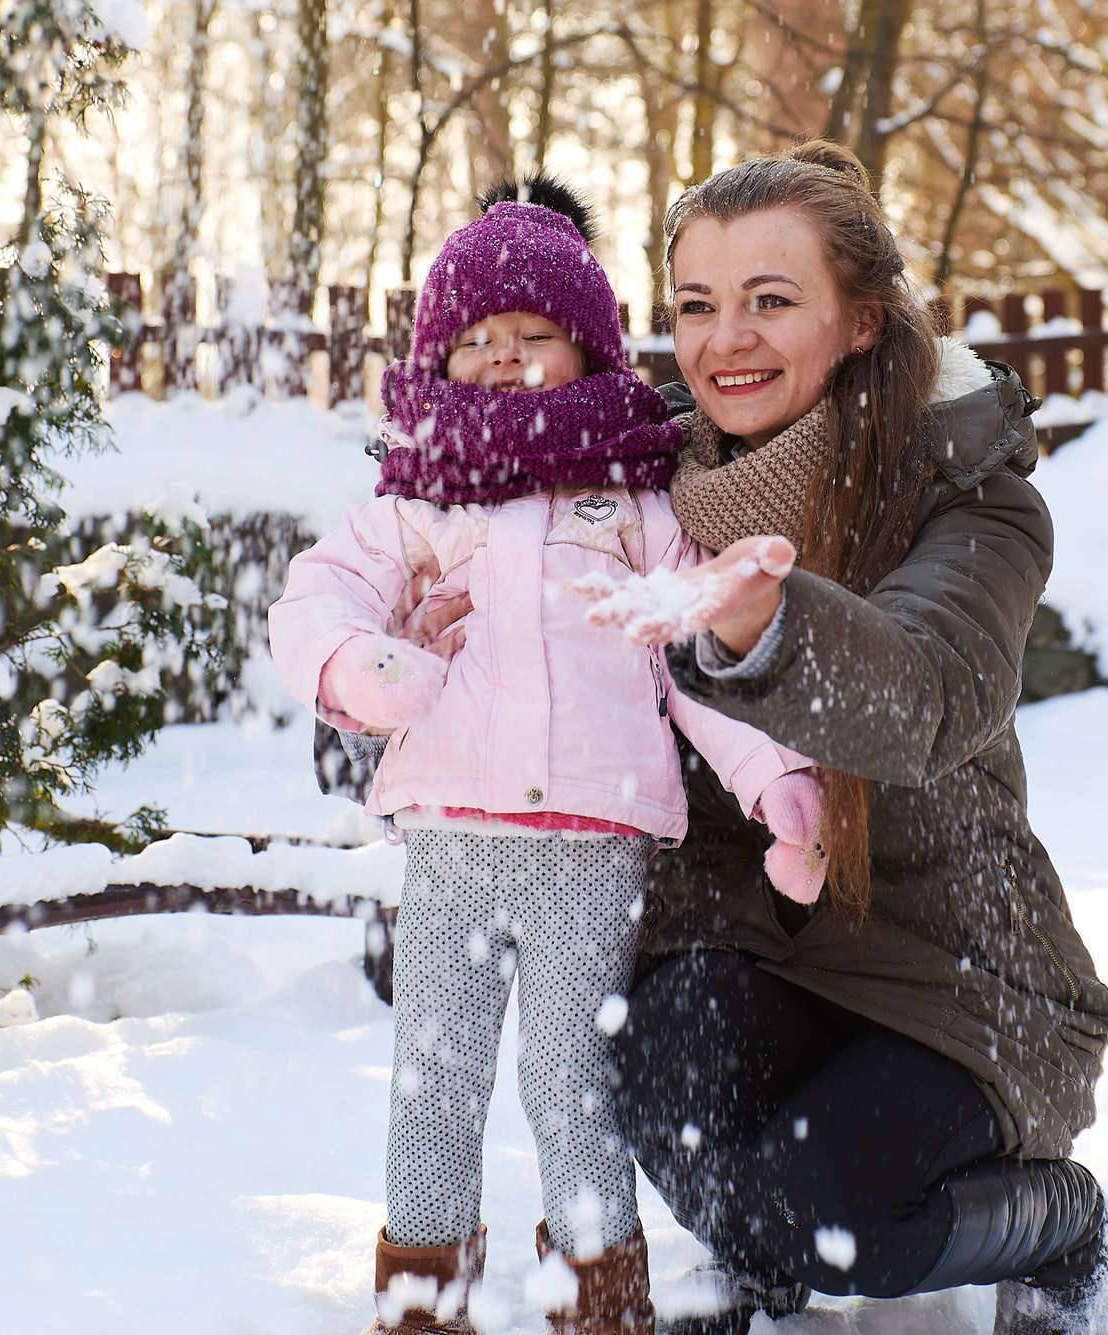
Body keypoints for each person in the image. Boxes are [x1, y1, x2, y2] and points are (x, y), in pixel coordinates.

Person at [587, 141, 1108, 1335]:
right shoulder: (636, 500)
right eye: (696, 306)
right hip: (748, 947)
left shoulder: (971, 497)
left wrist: (766, 622)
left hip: (956, 978)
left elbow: (929, 692)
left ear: (862, 322)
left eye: (770, 301)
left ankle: (1064, 1227)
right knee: (643, 1060)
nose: (725, 339)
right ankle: (754, 1241)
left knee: (836, 1220)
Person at [269, 182, 824, 1335]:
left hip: (592, 846)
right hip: (452, 841)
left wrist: (774, 779)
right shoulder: (414, 498)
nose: (503, 362)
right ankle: (421, 1289)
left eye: (531, 339)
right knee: (435, 1081)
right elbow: (320, 594)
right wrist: (356, 665)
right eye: (474, 342)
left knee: (572, 1082)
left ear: (587, 349)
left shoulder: (628, 501)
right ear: (438, 355)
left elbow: (695, 649)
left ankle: (596, 1284)